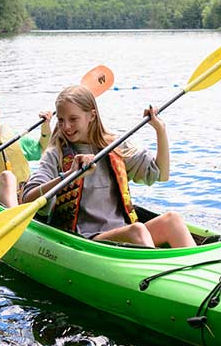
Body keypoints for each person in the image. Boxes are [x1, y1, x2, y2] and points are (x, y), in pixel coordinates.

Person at [22, 84, 196, 249]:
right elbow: (28, 199)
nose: (66, 126)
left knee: (173, 220)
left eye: (73, 119)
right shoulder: (55, 153)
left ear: (92, 116)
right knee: (138, 230)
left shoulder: (115, 146)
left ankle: (202, 269)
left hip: (124, 229)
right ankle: (160, 275)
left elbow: (161, 174)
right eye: (61, 120)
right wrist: (69, 175)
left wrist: (160, 130)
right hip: (86, 238)